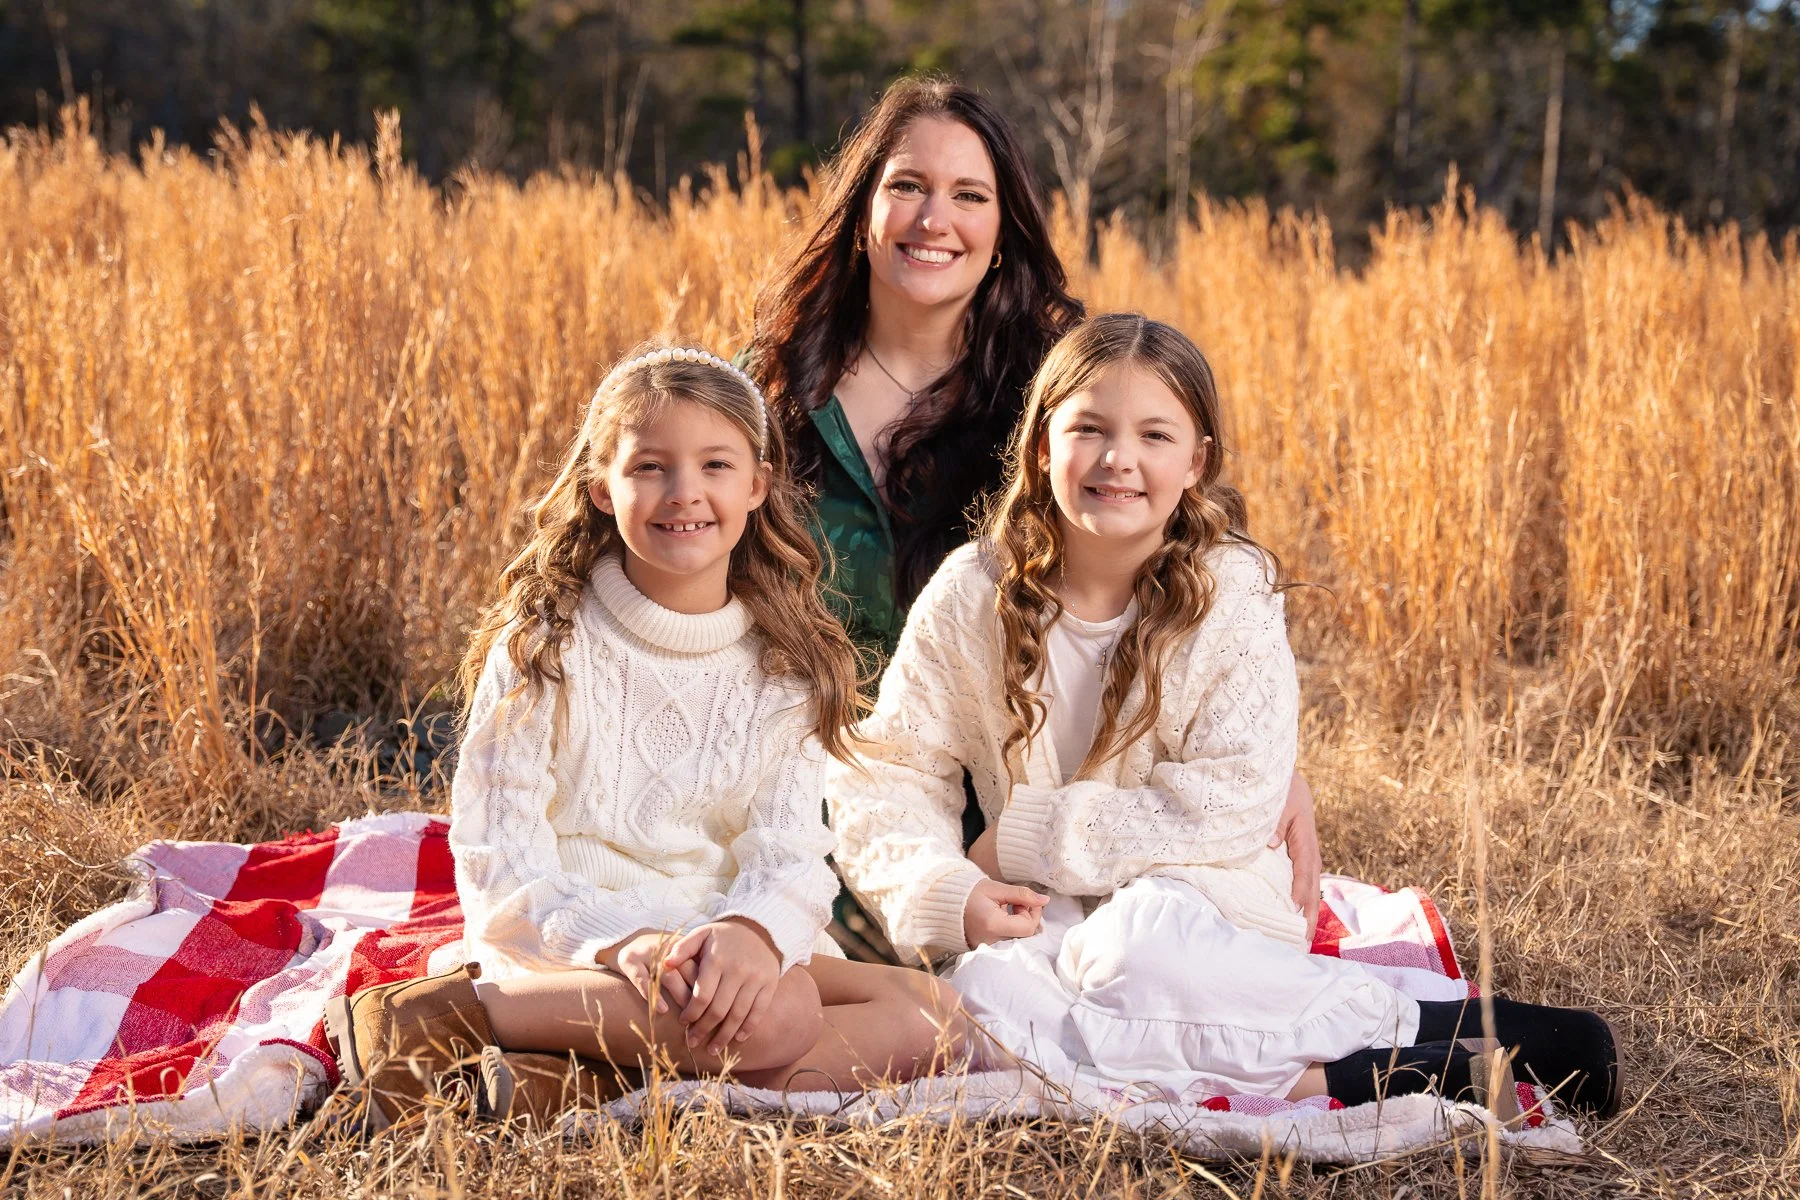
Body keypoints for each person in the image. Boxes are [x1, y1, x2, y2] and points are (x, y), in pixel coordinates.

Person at [828, 313, 1621, 1116]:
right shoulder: (975, 591)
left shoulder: (1231, 590)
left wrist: (1032, 835)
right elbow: (890, 769)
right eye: (1089, 429)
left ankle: (1420, 1021)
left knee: (1135, 956)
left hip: (1203, 901)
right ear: (1041, 444)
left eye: (1155, 435)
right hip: (1049, 914)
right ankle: (1384, 1070)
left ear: (1197, 459)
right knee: (995, 1005)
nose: (1119, 459)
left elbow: (1234, 797)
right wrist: (945, 889)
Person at [325, 346, 968, 1130]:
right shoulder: (547, 647)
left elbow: (791, 854)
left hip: (715, 951)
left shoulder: (784, 664)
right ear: (602, 487)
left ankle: (566, 1080)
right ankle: (457, 1010)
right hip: (580, 954)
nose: (684, 493)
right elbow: (502, 865)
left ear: (759, 484)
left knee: (937, 1016)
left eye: (716, 465)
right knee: (784, 1021)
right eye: (651, 468)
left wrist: (750, 932)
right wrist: (619, 944)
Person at [747, 76, 1324, 938]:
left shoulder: (1055, 390)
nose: (933, 219)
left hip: (997, 801)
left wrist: (1273, 765)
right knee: (729, 954)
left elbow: (1178, 544)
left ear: (1002, 228)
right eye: (907, 186)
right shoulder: (769, 394)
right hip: (803, 774)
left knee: (1098, 975)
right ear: (862, 208)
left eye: (968, 195)